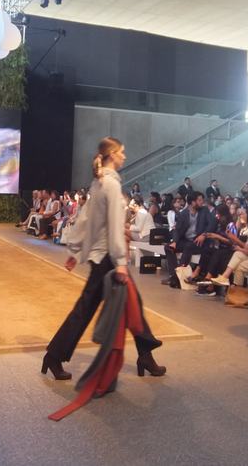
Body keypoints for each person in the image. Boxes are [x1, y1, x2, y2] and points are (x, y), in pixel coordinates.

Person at [42, 137, 165, 381]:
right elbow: (114, 226)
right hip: (108, 258)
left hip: (102, 256)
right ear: (111, 155)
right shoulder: (110, 184)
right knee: (90, 308)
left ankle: (145, 353)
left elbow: (85, 218)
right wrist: (120, 262)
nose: (125, 156)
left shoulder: (99, 182)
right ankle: (54, 356)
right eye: (122, 152)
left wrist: (75, 250)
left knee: (128, 303)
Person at [162, 191, 214, 289]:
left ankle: (178, 278)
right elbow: (177, 230)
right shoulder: (184, 213)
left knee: (188, 246)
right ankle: (174, 275)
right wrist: (174, 242)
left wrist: (204, 234)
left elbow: (212, 224)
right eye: (199, 200)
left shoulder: (204, 210)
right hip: (186, 240)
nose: (202, 202)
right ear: (192, 202)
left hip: (199, 242)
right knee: (168, 247)